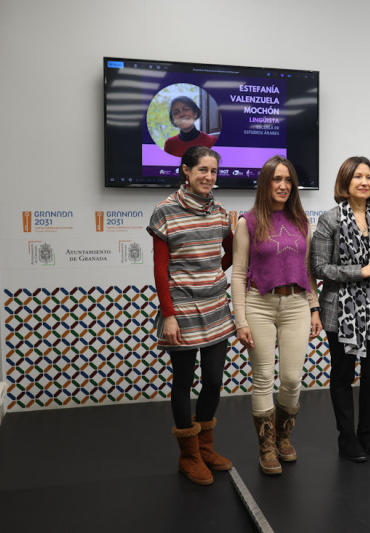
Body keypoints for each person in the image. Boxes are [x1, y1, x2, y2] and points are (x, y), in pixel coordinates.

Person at [147, 146, 235, 485]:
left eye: (213, 171)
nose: (208, 177)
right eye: (202, 170)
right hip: (181, 311)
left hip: (215, 309)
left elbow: (224, 258)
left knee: (213, 380)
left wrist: (214, 268)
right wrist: (168, 315)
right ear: (186, 171)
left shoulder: (220, 213)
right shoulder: (165, 211)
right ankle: (189, 455)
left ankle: (206, 446)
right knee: (183, 382)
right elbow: (160, 268)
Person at [231, 155, 322, 475]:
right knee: (263, 378)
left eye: (287, 180)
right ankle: (267, 446)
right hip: (259, 304)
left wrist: (314, 307)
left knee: (292, 379)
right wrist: (240, 320)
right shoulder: (248, 221)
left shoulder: (302, 221)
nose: (283, 185)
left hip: (296, 304)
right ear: (265, 183)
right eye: (276, 179)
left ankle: (284, 436)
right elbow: (239, 274)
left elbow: (309, 271)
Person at [311, 156, 370, 462]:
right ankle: (346, 438)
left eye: (369, 177)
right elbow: (319, 267)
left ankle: (367, 433)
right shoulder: (329, 219)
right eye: (358, 176)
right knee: (343, 375)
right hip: (340, 310)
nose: (364, 182)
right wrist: (357, 272)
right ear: (345, 183)